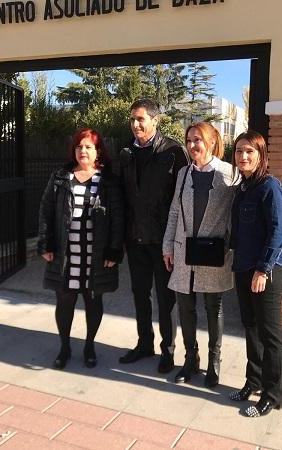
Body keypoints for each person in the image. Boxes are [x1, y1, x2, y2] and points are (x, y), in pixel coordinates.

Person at [38, 128, 124, 370]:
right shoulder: (60, 177)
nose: (82, 150)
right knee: (64, 302)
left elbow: (118, 218)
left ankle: (89, 346)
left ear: (98, 151)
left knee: (93, 301)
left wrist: (114, 251)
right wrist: (45, 243)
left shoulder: (108, 181)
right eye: (79, 146)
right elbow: (45, 211)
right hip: (66, 255)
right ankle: (64, 347)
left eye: (88, 146)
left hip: (95, 255)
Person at [118, 99, 189, 373]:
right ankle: (144, 343)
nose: (136, 124)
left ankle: (167, 351)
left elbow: (182, 199)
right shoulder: (125, 153)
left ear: (155, 121)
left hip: (163, 242)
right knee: (139, 295)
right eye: (132, 119)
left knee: (165, 298)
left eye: (141, 119)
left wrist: (175, 240)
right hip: (136, 240)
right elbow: (123, 198)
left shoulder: (173, 151)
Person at [162, 122, 236, 388]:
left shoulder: (229, 174)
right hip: (183, 253)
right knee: (185, 307)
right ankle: (190, 358)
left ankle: (214, 362)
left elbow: (234, 216)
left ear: (212, 141)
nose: (193, 145)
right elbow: (173, 212)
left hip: (214, 253)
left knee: (213, 307)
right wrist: (167, 246)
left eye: (198, 140)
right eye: (189, 140)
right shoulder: (183, 173)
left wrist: (229, 244)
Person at [228, 130, 282, 417]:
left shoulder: (269, 186)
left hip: (267, 269)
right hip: (242, 266)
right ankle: (253, 381)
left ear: (261, 155)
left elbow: (277, 233)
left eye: (250, 151)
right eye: (239, 151)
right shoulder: (243, 188)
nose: (244, 156)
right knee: (250, 328)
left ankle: (272, 395)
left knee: (270, 333)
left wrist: (263, 269)